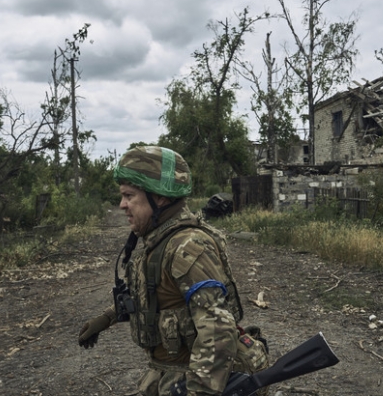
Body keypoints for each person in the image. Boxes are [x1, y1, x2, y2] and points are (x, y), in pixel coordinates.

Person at [78, 145, 268, 396]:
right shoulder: (161, 240)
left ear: (160, 197)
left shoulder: (187, 247)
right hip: (168, 373)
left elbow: (218, 331)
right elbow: (154, 296)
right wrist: (106, 318)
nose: (122, 205)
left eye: (129, 195)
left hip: (189, 379)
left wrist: (200, 391)